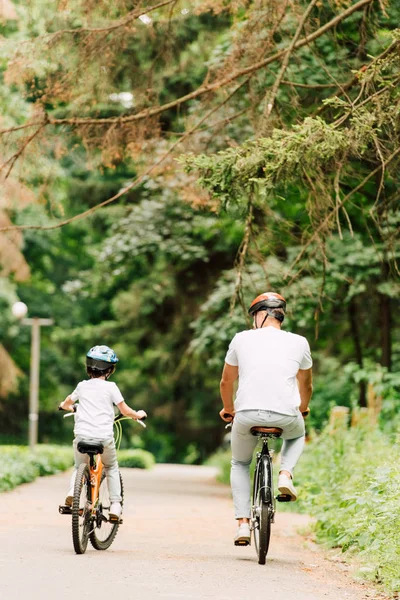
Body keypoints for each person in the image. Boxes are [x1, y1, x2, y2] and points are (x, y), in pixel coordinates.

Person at [219, 292, 313, 546]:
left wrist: (228, 409)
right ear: (280, 315)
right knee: (297, 433)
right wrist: (302, 409)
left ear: (260, 315)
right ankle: (285, 474)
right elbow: (306, 384)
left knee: (239, 463)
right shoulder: (300, 342)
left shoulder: (241, 339)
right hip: (286, 414)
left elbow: (227, 381)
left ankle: (242, 524)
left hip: (247, 414)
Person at [59, 344, 147, 520]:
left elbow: (66, 403)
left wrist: (67, 407)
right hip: (104, 438)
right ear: (110, 370)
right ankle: (115, 505)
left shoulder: (82, 386)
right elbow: (124, 410)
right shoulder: (111, 387)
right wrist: (138, 415)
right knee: (111, 466)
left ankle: (72, 492)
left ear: (88, 367)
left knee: (78, 467)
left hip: (82, 437)